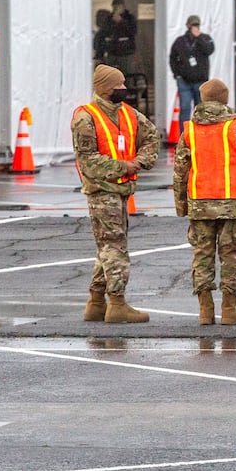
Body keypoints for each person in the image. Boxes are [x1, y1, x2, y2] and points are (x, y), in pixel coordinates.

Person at [71, 64, 161, 324]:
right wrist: (124, 166)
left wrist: (140, 161)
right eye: (119, 85)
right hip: (101, 191)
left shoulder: (129, 114)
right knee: (114, 248)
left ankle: (97, 302)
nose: (124, 89)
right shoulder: (85, 118)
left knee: (107, 247)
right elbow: (88, 160)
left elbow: (152, 136)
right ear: (106, 88)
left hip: (121, 190)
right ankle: (118, 303)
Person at [173, 78, 236, 325]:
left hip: (199, 202)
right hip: (231, 202)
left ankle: (205, 310)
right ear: (224, 99)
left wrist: (181, 205)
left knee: (202, 255)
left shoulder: (190, 129)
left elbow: (180, 170)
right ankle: (229, 309)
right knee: (231, 255)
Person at [169, 15, 215, 123]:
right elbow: (172, 58)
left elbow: (209, 50)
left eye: (196, 25)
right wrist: (177, 74)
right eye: (192, 25)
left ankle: (200, 134)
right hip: (184, 81)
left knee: (200, 109)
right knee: (185, 108)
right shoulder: (180, 41)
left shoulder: (206, 38)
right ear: (188, 26)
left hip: (200, 81)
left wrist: (199, 38)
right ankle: (184, 135)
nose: (195, 27)